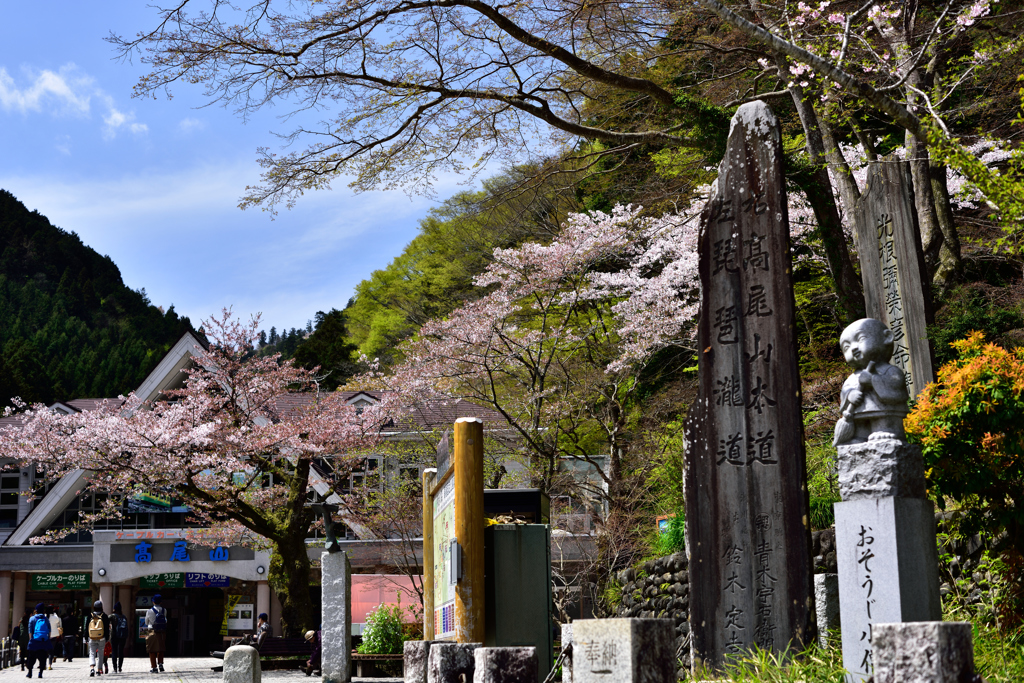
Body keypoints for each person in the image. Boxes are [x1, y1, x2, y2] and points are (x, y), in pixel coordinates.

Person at [834, 318, 911, 446]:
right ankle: (859, 436)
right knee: (859, 431)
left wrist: (873, 380)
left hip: (884, 415)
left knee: (884, 421)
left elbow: (896, 389)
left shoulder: (890, 370)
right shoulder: (852, 377)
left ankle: (887, 431)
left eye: (860, 339)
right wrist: (850, 395)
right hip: (860, 414)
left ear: (887, 337)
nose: (853, 348)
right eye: (847, 347)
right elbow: (846, 391)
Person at [26, 603, 52, 679]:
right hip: (43, 641)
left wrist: (31, 640)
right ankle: (40, 673)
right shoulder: (46, 619)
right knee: (42, 658)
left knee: (31, 657)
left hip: (34, 641)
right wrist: (47, 639)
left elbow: (30, 631)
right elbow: (49, 631)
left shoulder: (32, 619)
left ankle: (30, 673)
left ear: (36, 610)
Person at [144, 594, 168, 673]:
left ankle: (154, 667)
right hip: (162, 632)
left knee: (151, 649)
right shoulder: (164, 610)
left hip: (152, 631)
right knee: (161, 648)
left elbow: (146, 622)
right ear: (161, 602)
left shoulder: (149, 611)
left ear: (153, 601)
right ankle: (160, 663)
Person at [86, 600, 110, 677]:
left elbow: (86, 627)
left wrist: (86, 637)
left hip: (92, 637)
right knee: (100, 654)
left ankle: (92, 668)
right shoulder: (104, 616)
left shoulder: (90, 616)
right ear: (101, 607)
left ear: (94, 607)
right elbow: (106, 628)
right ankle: (98, 670)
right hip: (102, 637)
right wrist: (107, 638)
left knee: (92, 653)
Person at [109, 602, 130, 673]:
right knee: (121, 651)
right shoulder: (124, 617)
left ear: (115, 608)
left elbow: (105, 620)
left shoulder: (112, 616)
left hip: (114, 636)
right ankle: (120, 667)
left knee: (114, 651)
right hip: (123, 636)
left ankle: (115, 668)